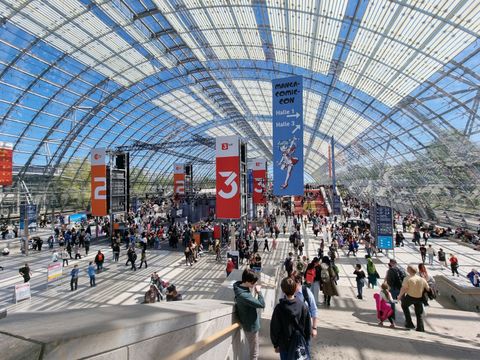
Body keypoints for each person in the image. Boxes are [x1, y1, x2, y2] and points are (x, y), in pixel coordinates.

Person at [270, 277, 311, 359]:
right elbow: (307, 326)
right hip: (299, 344)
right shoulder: (303, 306)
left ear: (283, 290)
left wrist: (276, 344)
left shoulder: (279, 308)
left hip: (284, 345)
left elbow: (274, 328)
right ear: (295, 288)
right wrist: (306, 341)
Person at [233, 269, 266, 360]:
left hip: (247, 323)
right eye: (253, 283)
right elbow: (262, 304)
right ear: (247, 281)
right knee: (254, 351)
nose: (254, 284)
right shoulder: (244, 295)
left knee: (253, 348)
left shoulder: (239, 286)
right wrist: (259, 292)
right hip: (251, 326)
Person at [398, 265, 430, 332]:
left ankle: (409, 323)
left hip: (410, 297)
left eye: (407, 269)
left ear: (409, 270)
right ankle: (420, 328)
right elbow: (428, 288)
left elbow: (404, 288)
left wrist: (399, 296)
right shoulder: (422, 279)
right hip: (419, 298)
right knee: (419, 313)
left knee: (404, 305)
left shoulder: (407, 278)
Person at [293, 273, 318, 352]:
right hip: (292, 328)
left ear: (299, 282)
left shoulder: (306, 292)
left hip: (305, 327)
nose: (291, 285)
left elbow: (314, 310)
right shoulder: (287, 291)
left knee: (304, 350)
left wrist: (314, 328)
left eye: (293, 283)